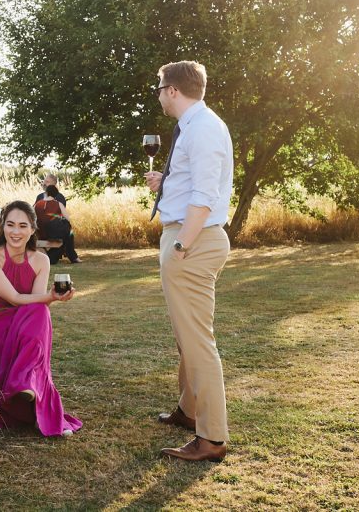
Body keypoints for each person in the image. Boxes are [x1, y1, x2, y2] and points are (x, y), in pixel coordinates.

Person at [144, 60, 234, 463]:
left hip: (192, 242)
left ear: (174, 90)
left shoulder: (203, 128)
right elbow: (194, 183)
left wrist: (180, 246)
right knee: (186, 337)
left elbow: (205, 197)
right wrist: (166, 184)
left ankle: (211, 437)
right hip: (187, 236)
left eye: (160, 87)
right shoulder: (195, 126)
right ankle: (189, 409)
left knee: (198, 343)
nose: (159, 94)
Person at [0, 200, 82, 437]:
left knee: (41, 311)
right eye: (10, 225)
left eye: (22, 226)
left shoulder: (41, 260)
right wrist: (47, 297)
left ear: (32, 229)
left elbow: (37, 300)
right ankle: (27, 389)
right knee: (38, 309)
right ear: (2, 227)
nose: (15, 232)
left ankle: (28, 386)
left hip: (20, 319)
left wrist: (54, 297)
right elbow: (16, 298)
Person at [36, 183, 79, 264]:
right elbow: (68, 218)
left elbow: (32, 218)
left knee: (66, 231)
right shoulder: (58, 204)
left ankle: (68, 256)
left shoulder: (37, 204)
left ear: (46, 193)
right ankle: (73, 257)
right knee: (68, 229)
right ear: (55, 194)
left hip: (40, 233)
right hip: (53, 234)